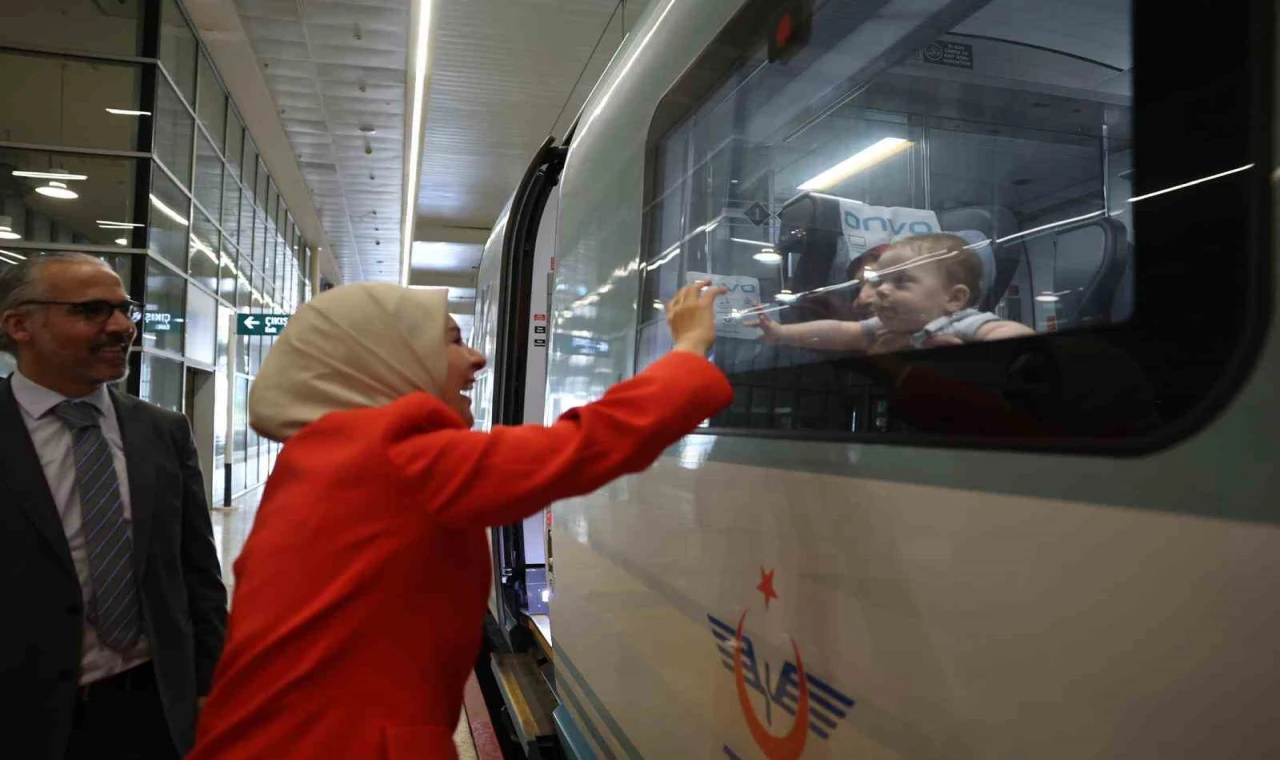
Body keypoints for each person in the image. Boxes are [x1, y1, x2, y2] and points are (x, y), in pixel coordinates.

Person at [189, 280, 733, 759]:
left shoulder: (322, 457)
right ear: (385, 357)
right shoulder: (390, 457)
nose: (477, 359)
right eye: (452, 340)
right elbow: (587, 445)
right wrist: (687, 351)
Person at [0, 253, 228, 759]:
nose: (122, 326)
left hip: (151, 707)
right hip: (21, 715)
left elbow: (196, 574)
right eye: (92, 311)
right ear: (20, 325)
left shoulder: (162, 431)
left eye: (126, 310)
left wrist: (212, 686)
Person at [753, 233, 1034, 353]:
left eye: (901, 282)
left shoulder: (962, 323)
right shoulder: (879, 327)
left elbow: (1009, 332)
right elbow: (839, 331)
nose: (882, 291)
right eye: (879, 281)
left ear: (954, 299)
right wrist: (782, 333)